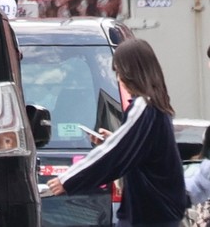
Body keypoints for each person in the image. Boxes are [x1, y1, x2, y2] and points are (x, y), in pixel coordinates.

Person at [46, 38, 186, 226]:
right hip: (160, 210)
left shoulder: (143, 106)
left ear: (131, 73)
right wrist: (112, 141)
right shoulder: (158, 105)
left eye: (119, 72)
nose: (118, 79)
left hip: (149, 212)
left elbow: (115, 152)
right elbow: (137, 149)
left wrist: (68, 180)